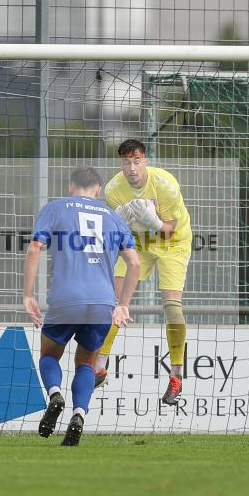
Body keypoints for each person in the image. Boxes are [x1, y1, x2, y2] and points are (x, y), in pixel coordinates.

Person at [23, 166, 139, 446]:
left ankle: (54, 395)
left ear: (70, 186)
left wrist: (28, 294)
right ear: (98, 189)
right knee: (87, 363)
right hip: (102, 302)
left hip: (65, 299)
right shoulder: (113, 217)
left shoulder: (55, 208)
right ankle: (79, 414)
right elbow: (134, 263)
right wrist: (123, 305)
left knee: (49, 356)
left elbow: (35, 248)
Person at [94, 139, 193, 405]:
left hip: (172, 242)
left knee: (172, 307)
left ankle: (176, 376)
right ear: (121, 164)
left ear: (145, 160)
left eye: (136, 161)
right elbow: (117, 232)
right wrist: (123, 220)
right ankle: (99, 367)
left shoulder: (166, 184)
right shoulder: (114, 189)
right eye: (126, 162)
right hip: (138, 243)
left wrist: (154, 220)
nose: (131, 168)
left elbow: (170, 227)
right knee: (111, 304)